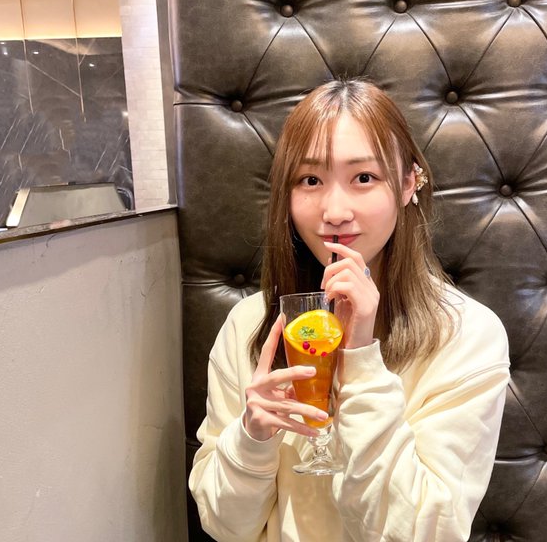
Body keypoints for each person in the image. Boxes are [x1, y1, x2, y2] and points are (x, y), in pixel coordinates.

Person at [189, 78, 510, 542]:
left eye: (364, 178)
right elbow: (225, 527)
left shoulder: (467, 334)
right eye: (310, 180)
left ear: (408, 184)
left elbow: (422, 533)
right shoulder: (251, 325)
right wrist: (252, 438)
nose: (335, 211)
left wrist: (360, 358)